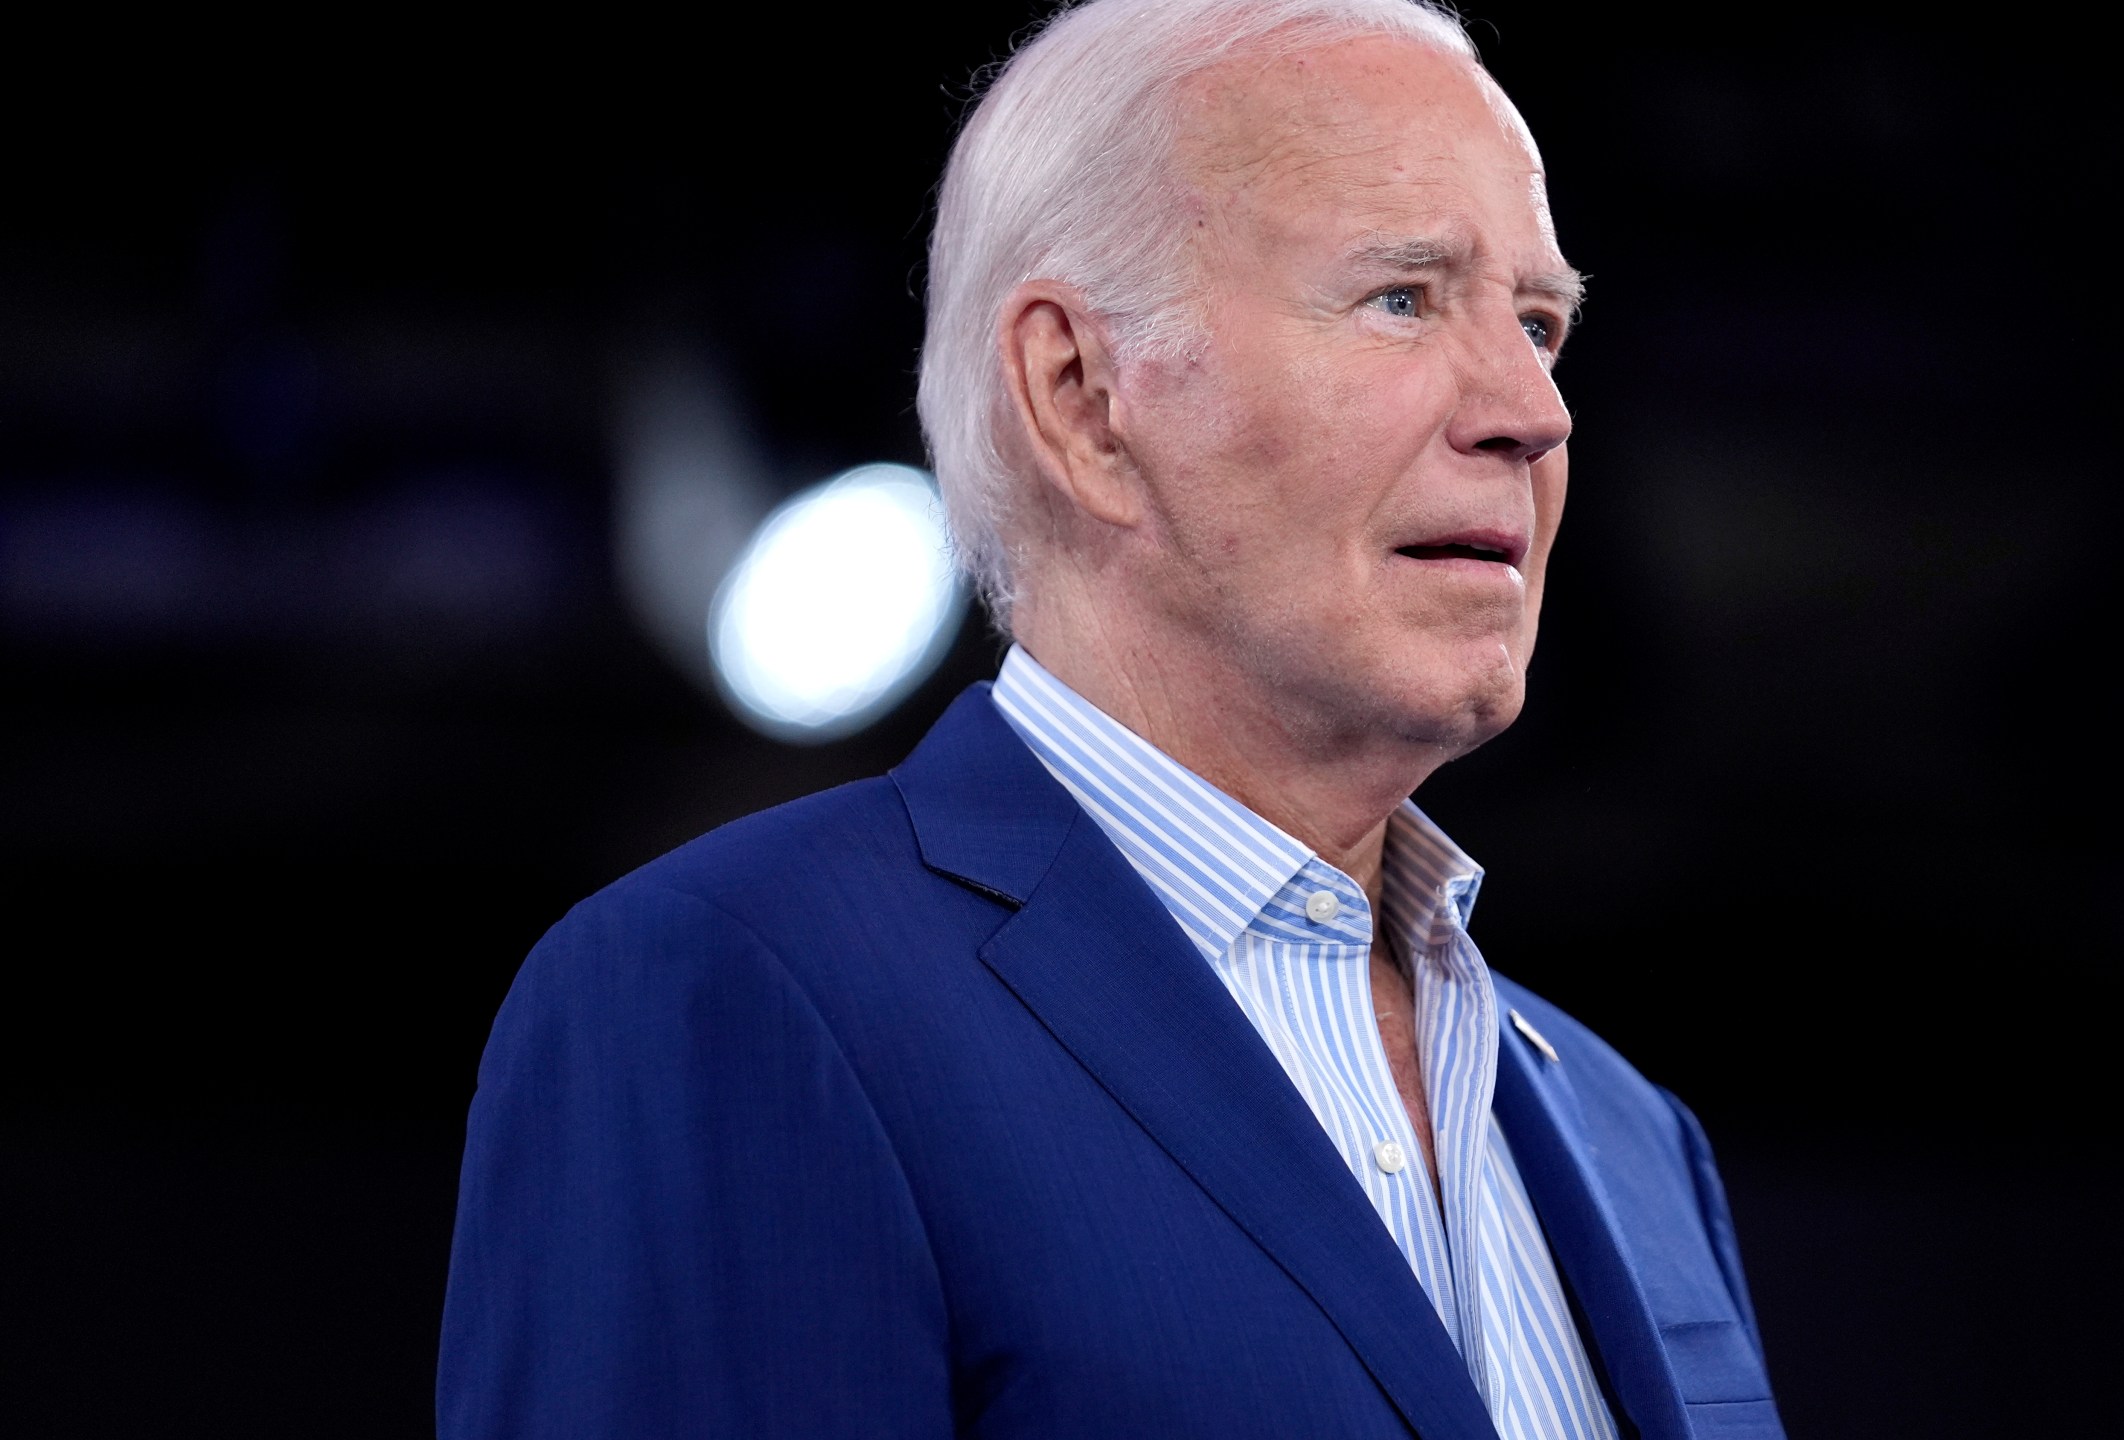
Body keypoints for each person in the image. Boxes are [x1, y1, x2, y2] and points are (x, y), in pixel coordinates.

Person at [436, 2, 1782, 1436]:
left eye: (1538, 324)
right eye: (1402, 297)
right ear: (1080, 396)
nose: (1533, 410)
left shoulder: (1637, 1138)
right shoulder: (734, 996)